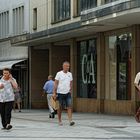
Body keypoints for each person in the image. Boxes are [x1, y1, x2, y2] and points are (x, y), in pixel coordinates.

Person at [53, 61, 75, 126]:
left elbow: (71, 82)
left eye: (68, 66)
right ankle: (60, 120)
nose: (68, 67)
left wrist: (70, 89)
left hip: (67, 93)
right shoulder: (59, 73)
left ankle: (70, 120)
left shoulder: (70, 74)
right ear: (63, 66)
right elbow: (56, 83)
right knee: (60, 107)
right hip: (60, 93)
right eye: (66, 66)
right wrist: (54, 92)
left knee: (69, 106)